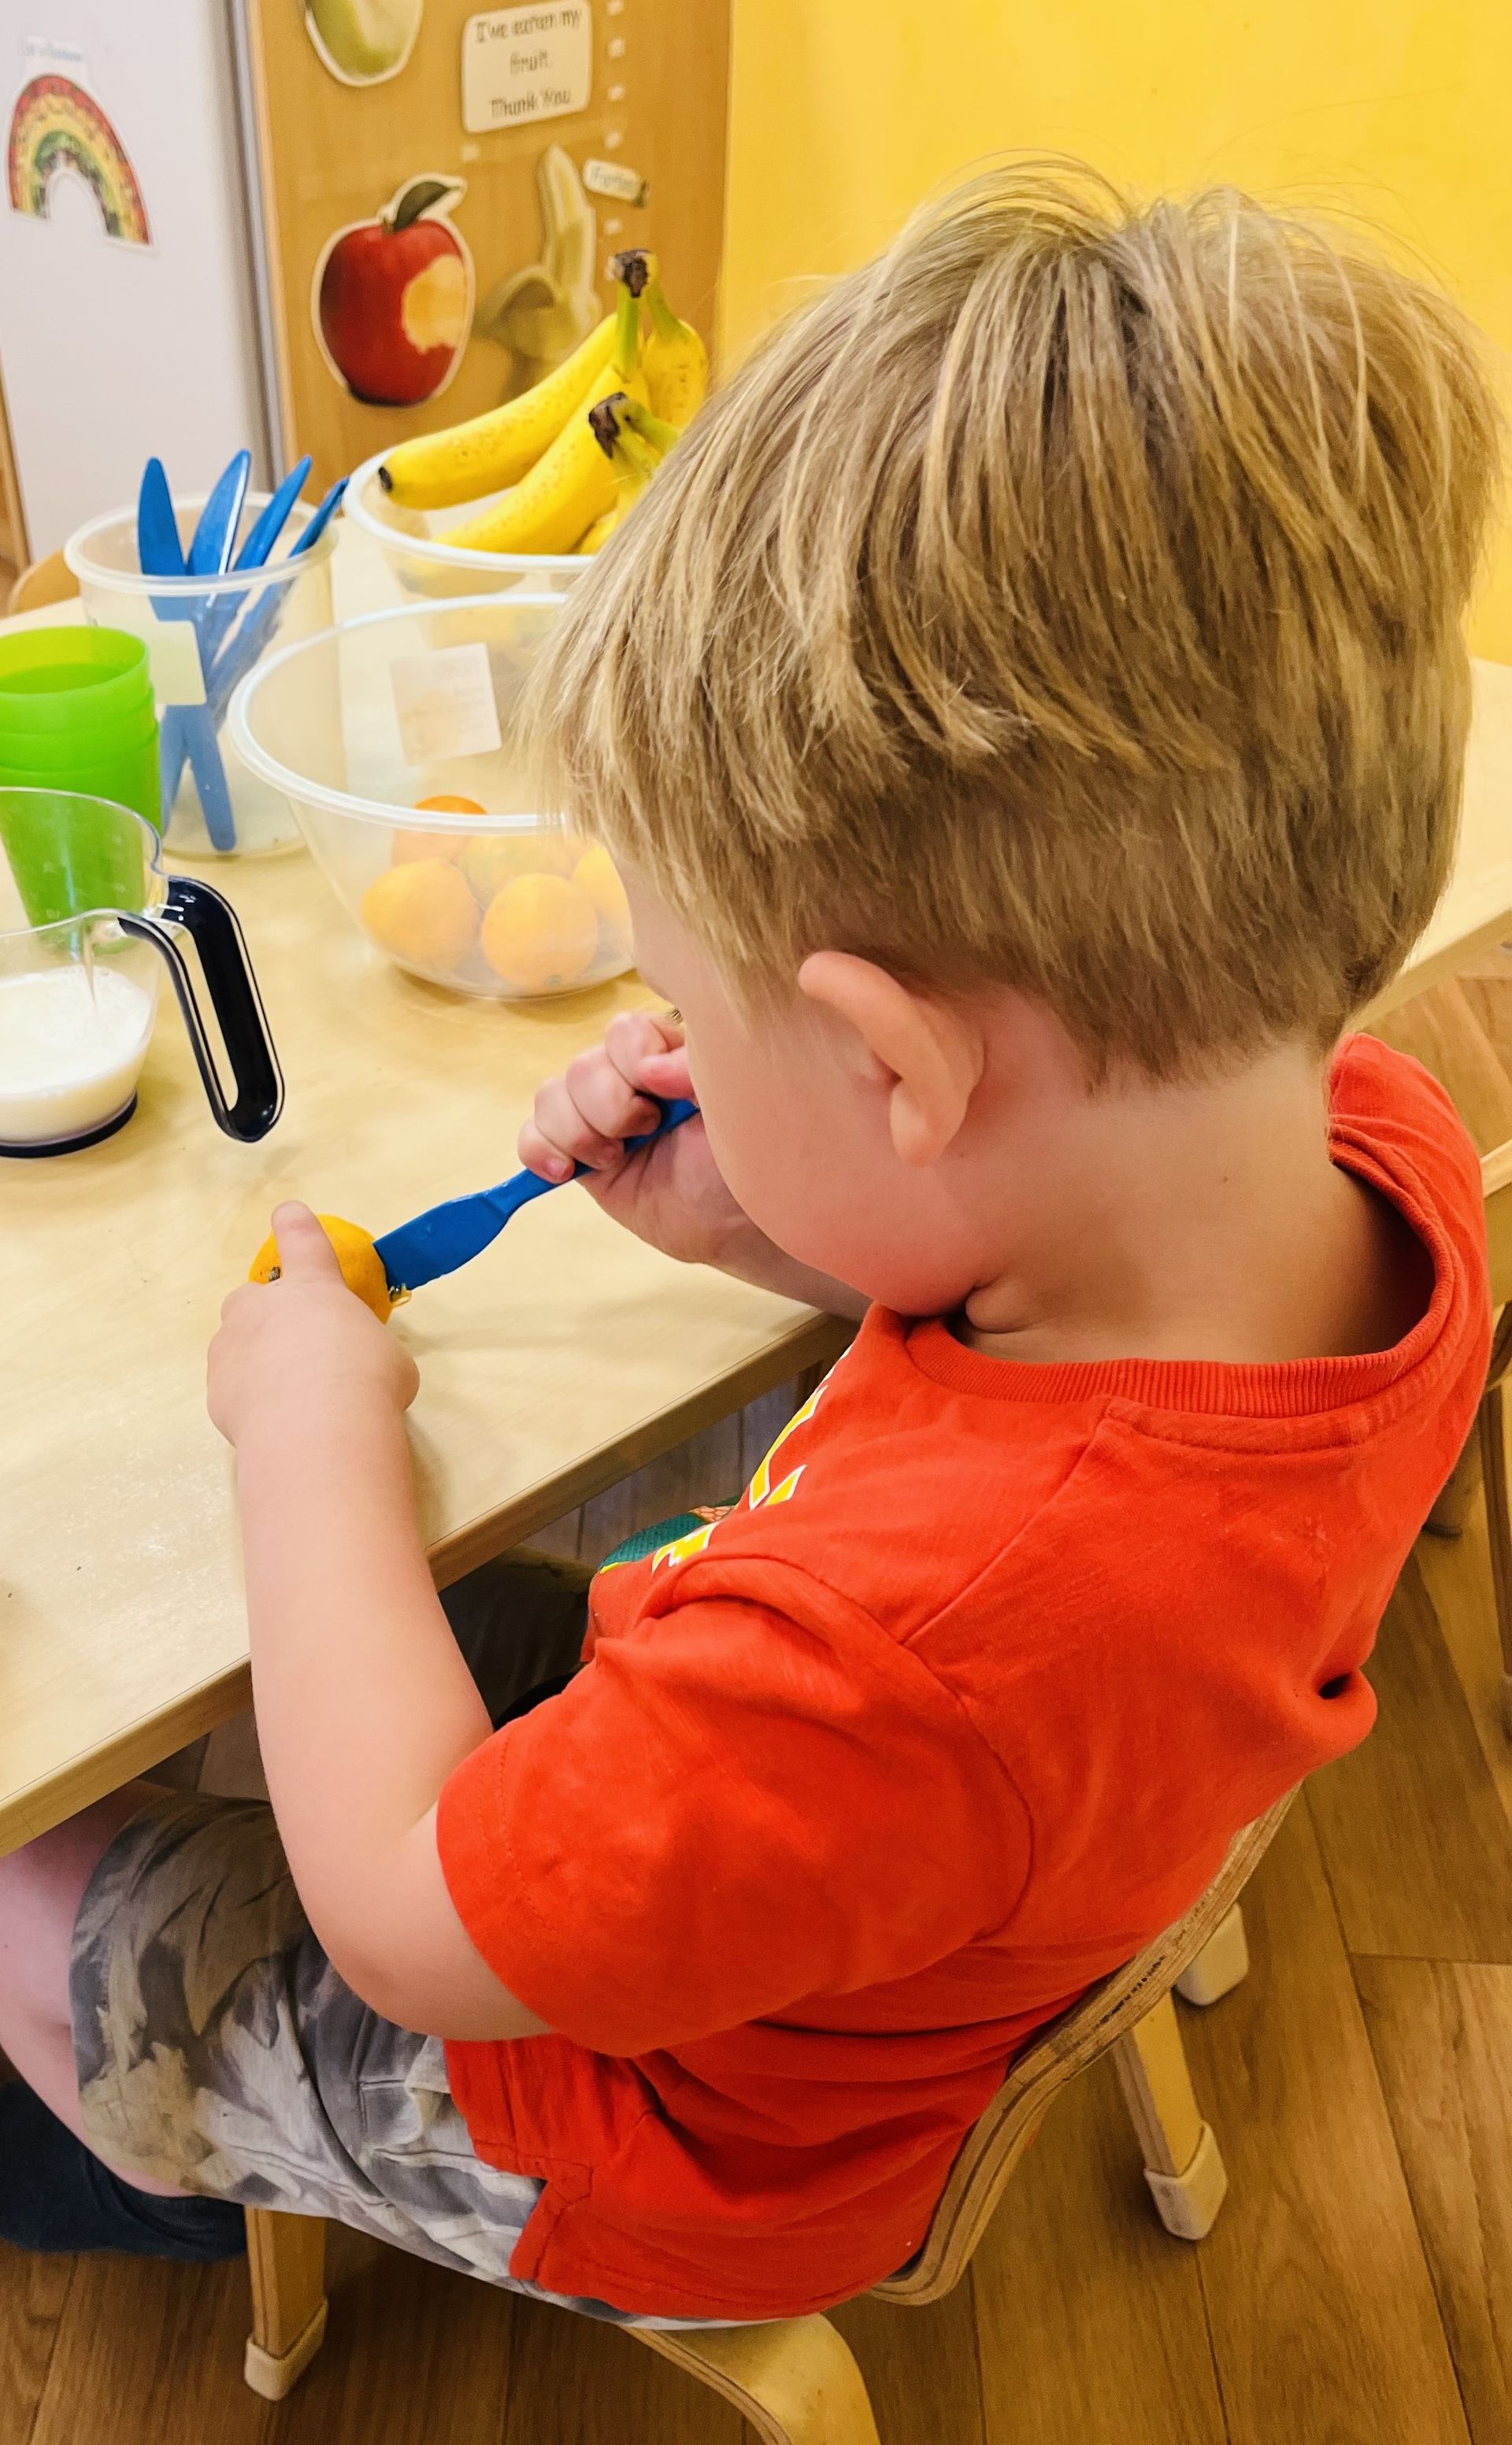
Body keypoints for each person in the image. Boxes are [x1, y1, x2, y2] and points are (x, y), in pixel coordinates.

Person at [0, 160, 1498, 2325]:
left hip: (667, 2143)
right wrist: (765, 1217)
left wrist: (305, 1425)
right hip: (926, 1861)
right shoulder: (1379, 1146)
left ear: (905, 1067)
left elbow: (412, 1920)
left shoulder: (892, 1654)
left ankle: (129, 2150)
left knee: (39, 1902)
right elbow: (1051, 1329)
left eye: (696, 1003)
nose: (667, 1043)